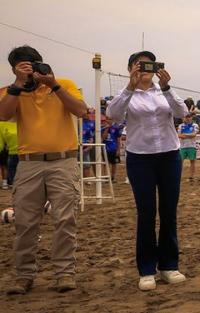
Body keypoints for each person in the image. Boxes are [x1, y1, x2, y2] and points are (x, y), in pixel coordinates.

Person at [1, 45, 88, 294]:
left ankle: (65, 274)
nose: (32, 72)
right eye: (24, 67)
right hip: (28, 163)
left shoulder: (63, 83)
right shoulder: (11, 91)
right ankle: (24, 275)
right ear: (14, 69)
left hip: (64, 160)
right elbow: (3, 115)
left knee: (65, 219)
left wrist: (53, 85)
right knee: (25, 222)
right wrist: (18, 84)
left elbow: (81, 110)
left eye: (34, 65)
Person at [105, 51, 189, 290]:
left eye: (149, 64)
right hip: (140, 157)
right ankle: (146, 269)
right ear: (131, 68)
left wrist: (167, 87)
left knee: (168, 212)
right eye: (139, 65)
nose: (145, 69)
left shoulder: (163, 91)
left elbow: (181, 112)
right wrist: (130, 88)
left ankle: (169, 266)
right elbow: (112, 114)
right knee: (146, 214)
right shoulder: (126, 94)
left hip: (170, 156)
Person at [178, 113, 199, 182]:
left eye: (189, 117)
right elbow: (179, 135)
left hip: (191, 145)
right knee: (180, 161)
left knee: (192, 161)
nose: (188, 118)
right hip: (183, 146)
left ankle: (191, 176)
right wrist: (189, 135)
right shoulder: (181, 126)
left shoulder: (194, 125)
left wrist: (184, 134)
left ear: (191, 118)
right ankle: (178, 175)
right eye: (186, 117)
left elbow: (194, 135)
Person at [0, 119, 18, 188]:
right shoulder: (2, 125)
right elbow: (0, 142)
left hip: (26, 153)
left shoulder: (24, 121)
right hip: (11, 154)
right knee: (8, 168)